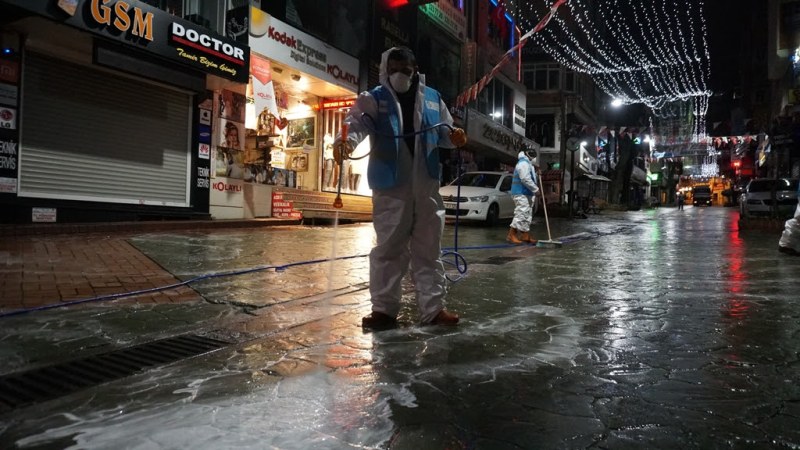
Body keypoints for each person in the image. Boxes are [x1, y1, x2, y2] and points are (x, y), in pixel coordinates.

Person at [333, 46, 467, 328]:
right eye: (394, 68)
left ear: (415, 69)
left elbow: (445, 130)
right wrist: (344, 142)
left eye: (405, 69)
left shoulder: (432, 98)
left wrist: (453, 136)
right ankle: (383, 310)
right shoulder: (374, 99)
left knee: (428, 249)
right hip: (390, 186)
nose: (400, 74)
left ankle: (433, 310)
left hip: (426, 184)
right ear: (385, 69)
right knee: (389, 248)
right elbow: (355, 123)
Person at [507, 148, 540, 244]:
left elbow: (531, 178)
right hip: (520, 192)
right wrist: (536, 190)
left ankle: (525, 235)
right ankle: (511, 234)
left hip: (526, 193)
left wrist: (537, 174)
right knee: (521, 213)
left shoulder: (528, 165)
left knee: (527, 214)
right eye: (533, 156)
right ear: (528, 155)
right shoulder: (523, 163)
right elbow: (525, 179)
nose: (534, 158)